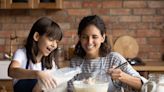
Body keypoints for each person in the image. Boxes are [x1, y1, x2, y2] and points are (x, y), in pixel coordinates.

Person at [68, 15, 147, 92]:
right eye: (85, 37)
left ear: (103, 38)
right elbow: (70, 89)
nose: (89, 42)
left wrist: (122, 76)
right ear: (80, 38)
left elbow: (145, 86)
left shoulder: (114, 59)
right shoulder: (75, 62)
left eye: (94, 37)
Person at [8, 17, 63, 92]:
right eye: (51, 39)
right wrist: (37, 74)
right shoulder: (22, 53)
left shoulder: (50, 63)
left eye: (56, 42)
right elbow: (12, 71)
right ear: (36, 36)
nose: (54, 45)